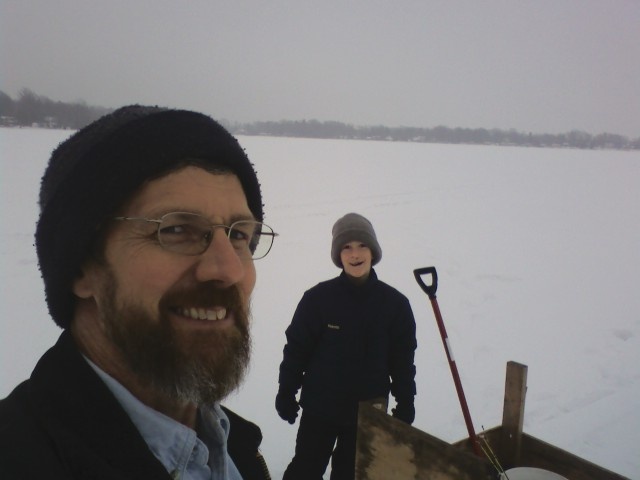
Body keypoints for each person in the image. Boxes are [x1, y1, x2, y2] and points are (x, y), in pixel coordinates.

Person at [0, 105, 276, 480]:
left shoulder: (233, 447)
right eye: (176, 229)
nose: (229, 269)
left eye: (240, 235)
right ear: (82, 267)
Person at [276, 212, 417, 479]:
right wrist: (286, 391)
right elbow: (296, 350)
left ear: (373, 251)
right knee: (304, 470)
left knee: (350, 475)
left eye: (362, 245)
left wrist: (405, 401)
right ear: (338, 255)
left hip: (367, 413)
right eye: (347, 247)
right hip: (320, 408)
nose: (355, 254)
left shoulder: (395, 305)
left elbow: (402, 360)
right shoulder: (317, 299)